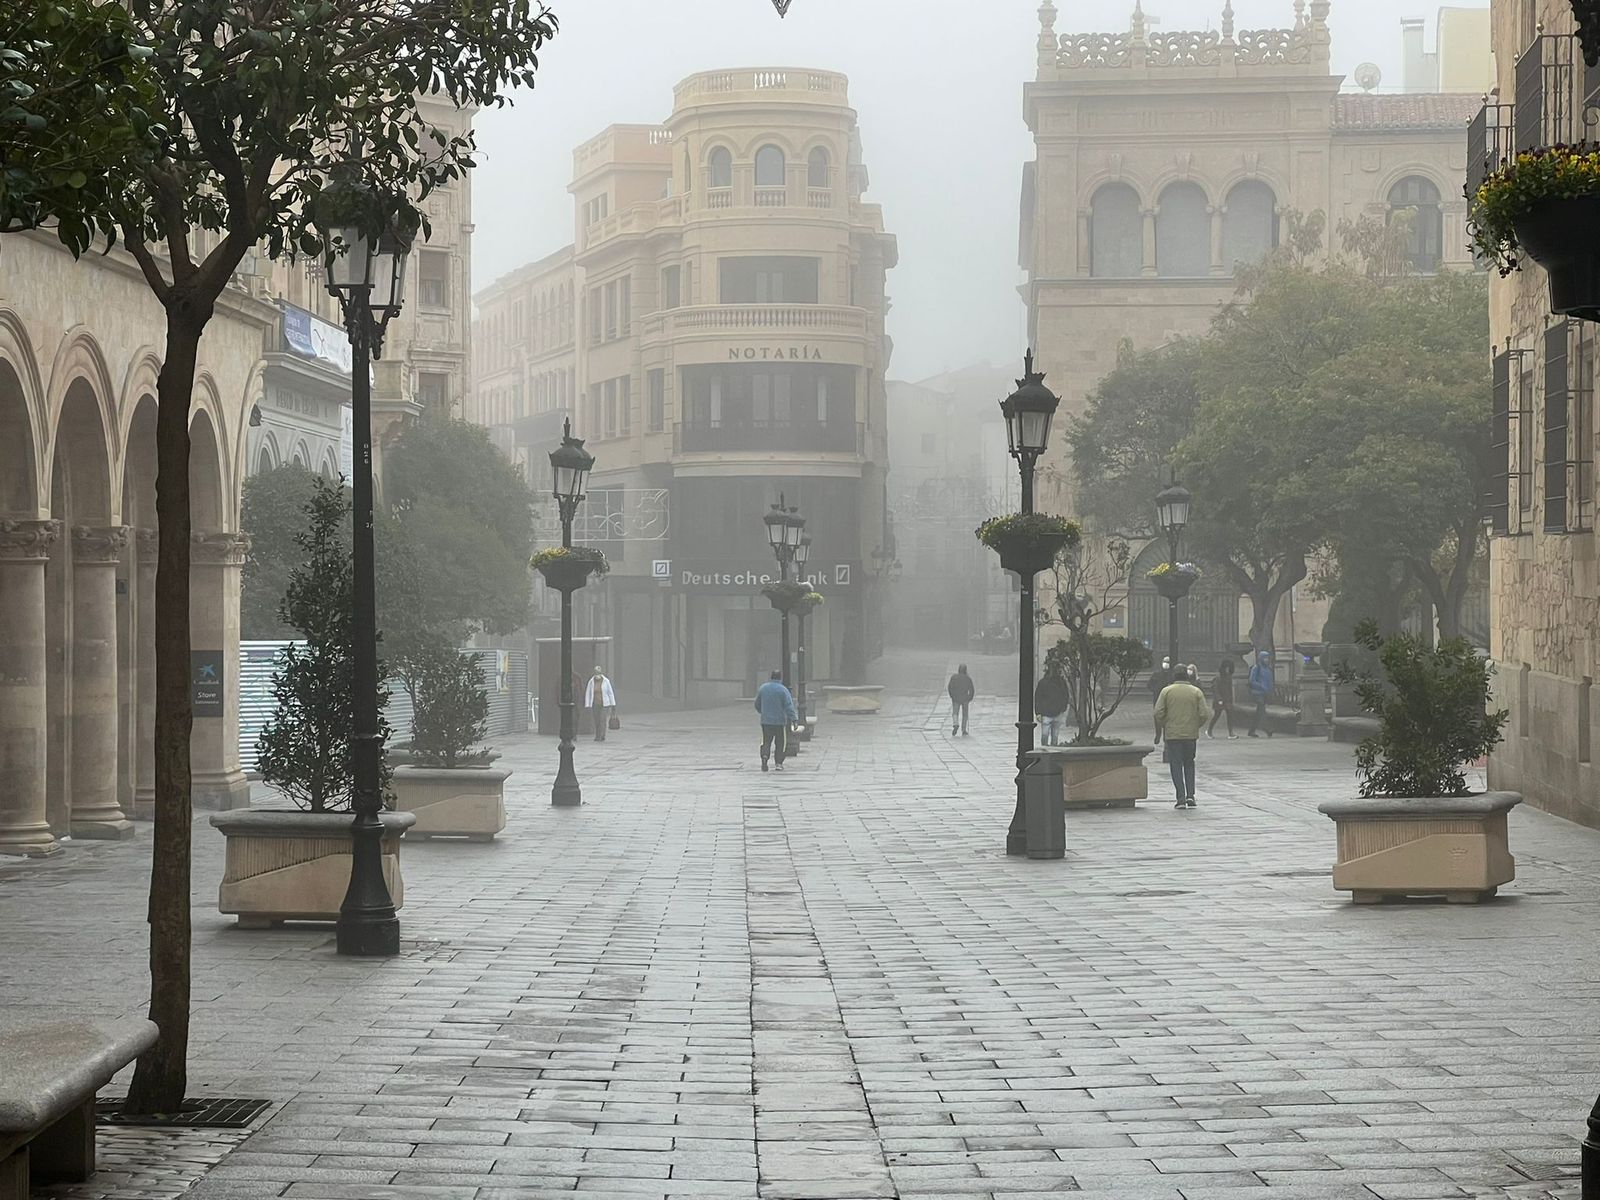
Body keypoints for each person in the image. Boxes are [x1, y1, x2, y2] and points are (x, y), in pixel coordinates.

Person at [1153, 664, 1209, 809]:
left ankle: (1181, 798)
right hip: (1190, 735)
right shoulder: (1196, 691)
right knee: (1189, 763)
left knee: (1176, 765)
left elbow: (1158, 712)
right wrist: (1196, 725)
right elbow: (1204, 713)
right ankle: (1191, 795)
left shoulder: (1166, 691)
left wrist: (1166, 724)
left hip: (1173, 735)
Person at [755, 669, 798, 772]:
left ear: (771, 677)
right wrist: (794, 719)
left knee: (766, 741)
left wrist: (762, 711)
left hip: (766, 721)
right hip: (779, 722)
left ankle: (764, 757)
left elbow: (757, 704)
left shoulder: (763, 688)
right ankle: (778, 763)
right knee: (780, 743)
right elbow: (788, 706)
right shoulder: (783, 690)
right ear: (780, 678)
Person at [1035, 672, 1070, 747]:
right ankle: (1050, 748)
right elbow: (1065, 695)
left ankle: (1045, 748)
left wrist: (1038, 712)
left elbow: (1038, 698)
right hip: (1054, 712)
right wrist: (1063, 708)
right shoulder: (1061, 682)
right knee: (1053, 735)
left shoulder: (1043, 682)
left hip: (1048, 712)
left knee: (1048, 734)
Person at [1247, 649, 1275, 738]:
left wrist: (1270, 690)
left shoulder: (1268, 669)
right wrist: (1261, 686)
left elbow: (1270, 681)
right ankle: (1268, 728)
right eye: (1265, 658)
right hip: (1258, 693)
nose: (1266, 660)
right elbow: (1251, 680)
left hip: (1265, 693)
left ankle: (1252, 730)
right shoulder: (1256, 668)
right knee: (1262, 711)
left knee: (1258, 713)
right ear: (1261, 658)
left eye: (1267, 658)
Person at [583, 665, 616, 741]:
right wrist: (587, 704)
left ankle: (602, 735)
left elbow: (610, 693)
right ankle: (597, 735)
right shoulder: (591, 682)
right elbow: (588, 693)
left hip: (604, 704)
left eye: (598, 673)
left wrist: (613, 704)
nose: (597, 675)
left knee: (602, 719)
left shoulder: (606, 681)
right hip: (595, 704)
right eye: (596, 673)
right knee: (597, 720)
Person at [1208, 658, 1238, 739]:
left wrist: (1231, 700)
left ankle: (1231, 733)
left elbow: (1230, 690)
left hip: (1227, 699)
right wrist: (1219, 699)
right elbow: (1215, 690)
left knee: (1230, 715)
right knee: (1217, 715)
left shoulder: (1229, 677)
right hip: (1220, 700)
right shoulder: (1218, 678)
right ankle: (1209, 730)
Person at [947, 664, 976, 735]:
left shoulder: (954, 677)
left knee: (955, 713)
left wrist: (952, 696)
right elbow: (972, 689)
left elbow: (950, 687)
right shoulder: (968, 679)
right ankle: (964, 729)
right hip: (965, 698)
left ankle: (955, 723)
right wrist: (970, 698)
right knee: (965, 715)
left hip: (956, 697)